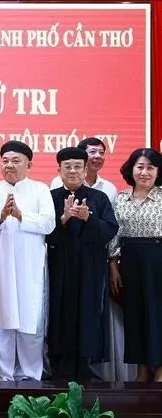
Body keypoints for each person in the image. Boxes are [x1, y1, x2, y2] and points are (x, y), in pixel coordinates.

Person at [46, 147, 119, 381]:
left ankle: (86, 366)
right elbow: (44, 234)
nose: (73, 171)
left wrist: (89, 218)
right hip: (60, 267)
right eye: (67, 167)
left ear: (86, 169)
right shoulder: (50, 197)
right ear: (59, 170)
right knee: (60, 312)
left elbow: (110, 230)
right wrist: (64, 220)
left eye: (78, 166)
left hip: (90, 267)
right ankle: (60, 366)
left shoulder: (99, 198)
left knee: (89, 312)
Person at [0, 141, 55, 381]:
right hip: (0, 265)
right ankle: (4, 377)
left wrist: (21, 215)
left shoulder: (40, 190)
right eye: (5, 161)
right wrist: (2, 216)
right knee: (1, 322)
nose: (9, 165)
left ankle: (30, 377)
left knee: (30, 323)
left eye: (16, 161)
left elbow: (49, 223)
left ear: (29, 164)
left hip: (30, 267)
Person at [109, 148, 162, 382]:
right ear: (131, 169)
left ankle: (160, 369)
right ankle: (142, 368)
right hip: (129, 263)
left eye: (150, 167)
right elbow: (114, 235)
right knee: (135, 315)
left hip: (158, 261)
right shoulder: (120, 198)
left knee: (158, 315)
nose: (144, 172)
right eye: (140, 166)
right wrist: (113, 265)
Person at [50, 137, 118, 203]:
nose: (98, 156)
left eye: (101, 153)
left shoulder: (109, 188)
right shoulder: (58, 182)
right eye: (93, 151)